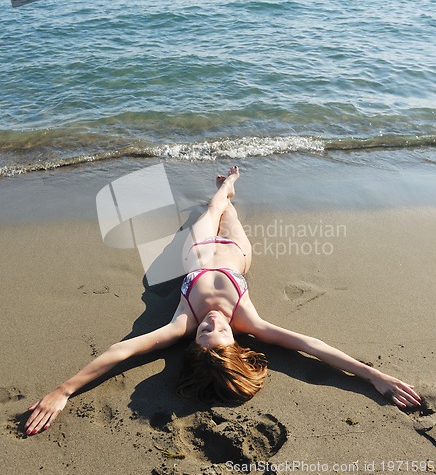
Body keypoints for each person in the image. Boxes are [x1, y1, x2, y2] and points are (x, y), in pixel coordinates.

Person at [24, 166, 421, 436]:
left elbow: (122, 351)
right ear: (237, 344)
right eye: (221, 331)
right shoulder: (250, 322)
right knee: (225, 210)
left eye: (206, 333)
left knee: (208, 210)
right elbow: (311, 347)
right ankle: (227, 188)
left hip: (195, 252)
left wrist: (65, 389)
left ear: (194, 343)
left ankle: (222, 189)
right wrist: (373, 376)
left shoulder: (182, 323)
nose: (214, 322)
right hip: (234, 250)